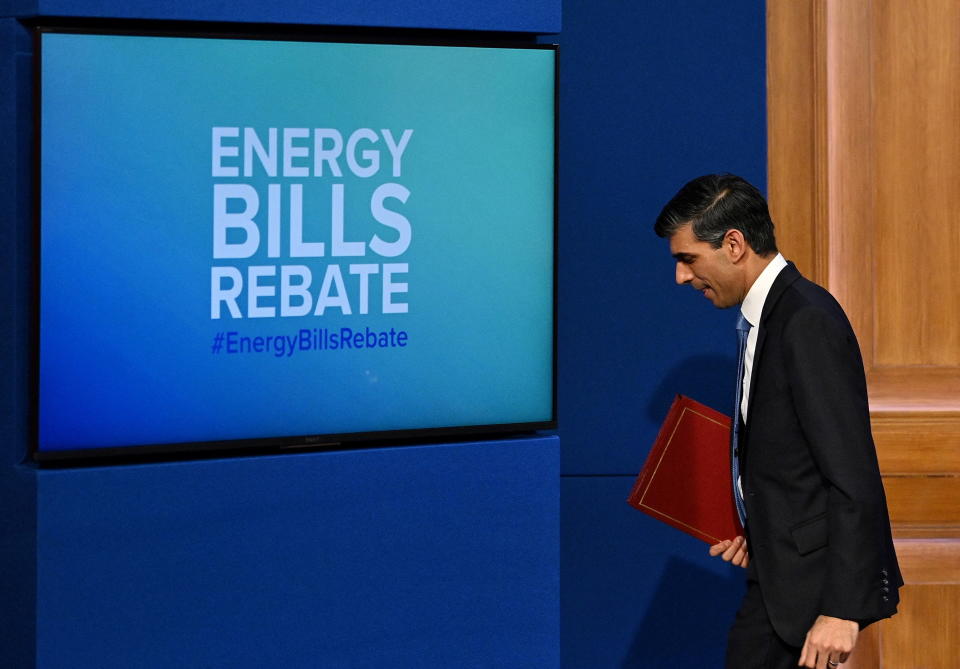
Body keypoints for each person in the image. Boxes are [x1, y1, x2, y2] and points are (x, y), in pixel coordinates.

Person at [653, 174, 901, 669]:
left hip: (810, 596)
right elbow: (788, 459)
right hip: (778, 578)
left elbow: (853, 476)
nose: (681, 277)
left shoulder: (805, 321)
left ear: (735, 244)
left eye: (688, 259)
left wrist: (841, 610)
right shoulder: (766, 317)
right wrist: (754, 526)